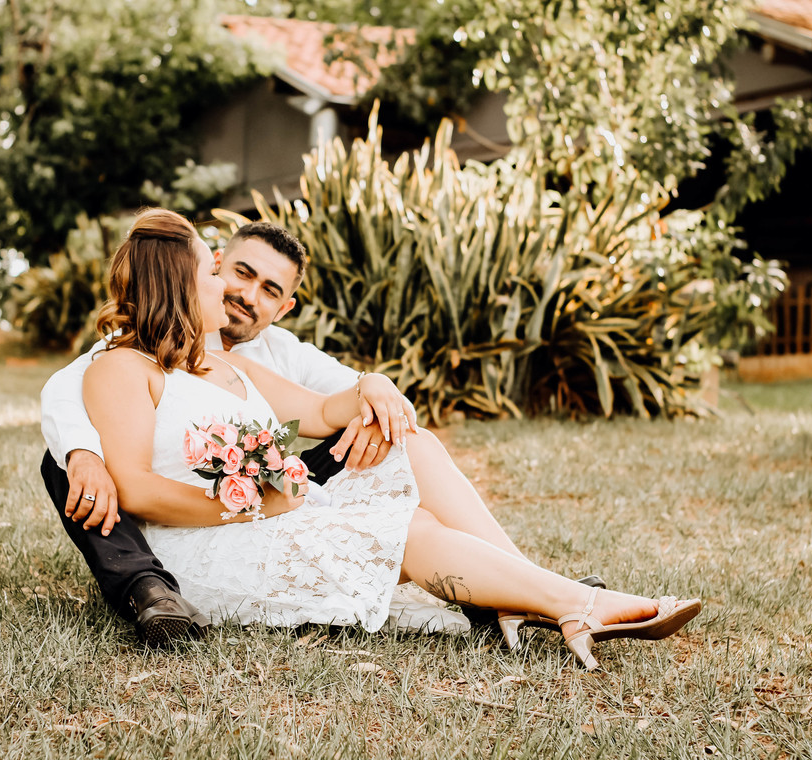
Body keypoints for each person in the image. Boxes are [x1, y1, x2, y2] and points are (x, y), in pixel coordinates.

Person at [73, 208, 701, 671]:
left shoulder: (225, 362)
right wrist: (253, 501)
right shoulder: (118, 369)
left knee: (410, 470)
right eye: (216, 271)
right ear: (179, 285)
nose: (228, 288)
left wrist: (374, 385)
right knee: (405, 531)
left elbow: (323, 408)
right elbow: (136, 490)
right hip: (204, 546)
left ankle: (533, 596)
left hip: (272, 513)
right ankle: (574, 603)